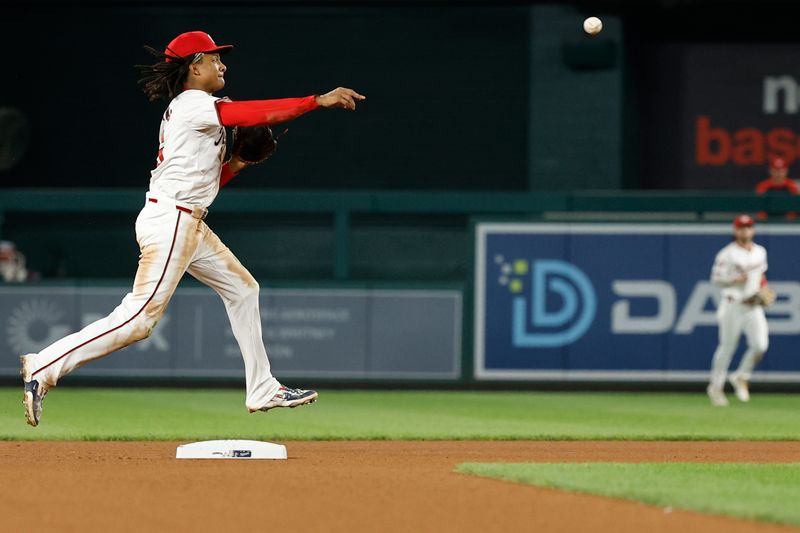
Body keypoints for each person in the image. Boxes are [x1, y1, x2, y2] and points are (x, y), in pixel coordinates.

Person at [20, 31, 366, 427]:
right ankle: (43, 366)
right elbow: (249, 115)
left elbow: (207, 184)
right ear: (194, 65)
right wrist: (316, 101)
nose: (223, 64)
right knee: (138, 320)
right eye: (215, 58)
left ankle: (262, 387)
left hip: (188, 220)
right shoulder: (192, 103)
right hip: (172, 222)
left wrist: (236, 164)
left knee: (243, 289)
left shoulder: (199, 109)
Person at [706, 214, 769, 407]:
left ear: (753, 230)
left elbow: (760, 276)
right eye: (741, 227)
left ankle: (741, 376)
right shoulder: (727, 254)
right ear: (735, 230)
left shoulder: (760, 251)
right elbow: (715, 279)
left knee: (760, 346)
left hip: (753, 305)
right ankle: (715, 387)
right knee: (727, 348)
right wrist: (733, 280)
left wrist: (764, 288)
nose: (745, 230)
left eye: (748, 227)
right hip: (732, 304)